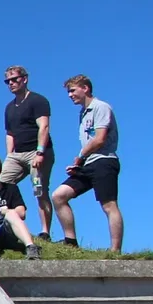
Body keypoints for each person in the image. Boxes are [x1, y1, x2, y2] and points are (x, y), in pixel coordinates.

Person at [53, 74, 123, 253]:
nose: (70, 95)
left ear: (85, 88)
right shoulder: (83, 113)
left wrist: (80, 156)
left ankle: (115, 251)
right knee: (59, 196)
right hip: (88, 164)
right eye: (68, 92)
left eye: (72, 90)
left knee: (109, 205)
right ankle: (71, 241)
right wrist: (80, 162)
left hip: (104, 161)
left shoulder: (101, 107)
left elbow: (99, 139)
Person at [0, 65, 55, 240]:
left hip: (36, 152)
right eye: (7, 81)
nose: (11, 84)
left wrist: (40, 152)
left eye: (14, 79)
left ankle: (45, 231)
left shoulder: (37, 100)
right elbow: (9, 133)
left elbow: (44, 126)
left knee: (39, 190)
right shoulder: (9, 107)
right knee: (0, 185)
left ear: (24, 79)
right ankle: (0, 225)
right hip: (17, 154)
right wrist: (9, 155)